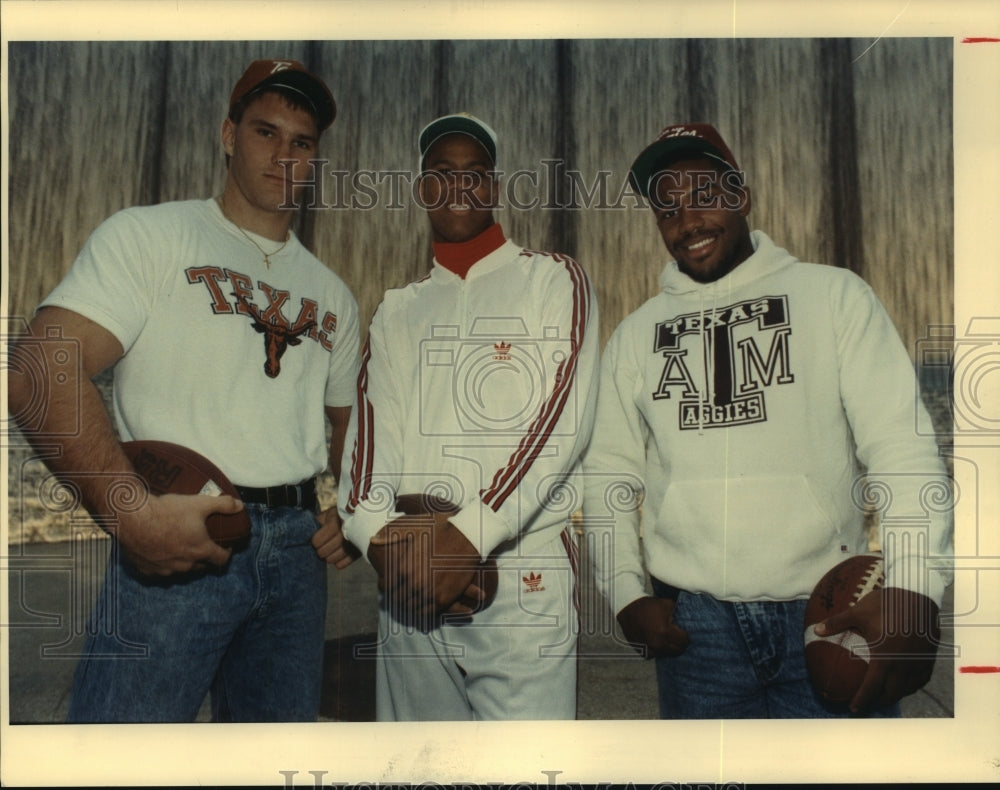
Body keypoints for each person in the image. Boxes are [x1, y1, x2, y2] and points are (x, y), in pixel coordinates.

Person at [7, 59, 361, 722]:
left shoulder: (333, 291)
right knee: (121, 758)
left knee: (273, 760)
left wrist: (358, 513)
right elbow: (38, 367)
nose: (283, 154)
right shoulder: (151, 236)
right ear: (228, 134)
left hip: (294, 549)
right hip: (181, 527)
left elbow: (349, 430)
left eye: (302, 142)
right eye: (265, 132)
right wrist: (127, 510)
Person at [581, 122, 952, 719]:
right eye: (668, 209)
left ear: (741, 196)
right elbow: (608, 474)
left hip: (831, 609)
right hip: (695, 629)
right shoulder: (634, 337)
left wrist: (913, 591)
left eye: (704, 197)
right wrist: (625, 593)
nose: (687, 222)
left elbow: (902, 450)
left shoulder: (834, 297)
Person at [338, 113, 599, 720]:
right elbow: (370, 442)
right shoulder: (397, 309)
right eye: (442, 173)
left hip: (522, 566)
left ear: (495, 186)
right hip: (410, 572)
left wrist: (471, 536)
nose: (458, 185)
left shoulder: (552, 278)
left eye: (474, 173)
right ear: (423, 188)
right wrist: (378, 541)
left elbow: (563, 420)